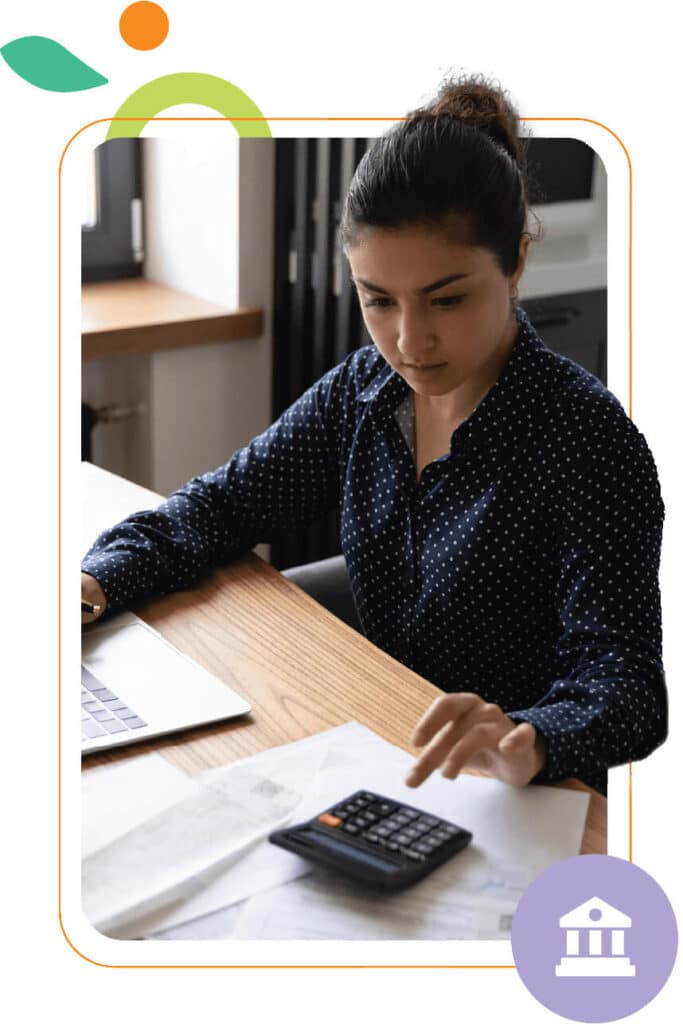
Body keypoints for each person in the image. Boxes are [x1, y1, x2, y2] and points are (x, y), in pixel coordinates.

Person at [82, 74, 667, 796]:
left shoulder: (585, 443)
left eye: (446, 299)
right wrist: (93, 583)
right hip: (379, 744)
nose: (408, 340)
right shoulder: (363, 392)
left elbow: (625, 685)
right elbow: (218, 508)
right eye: (377, 299)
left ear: (515, 261)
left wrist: (529, 736)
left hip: (520, 796)